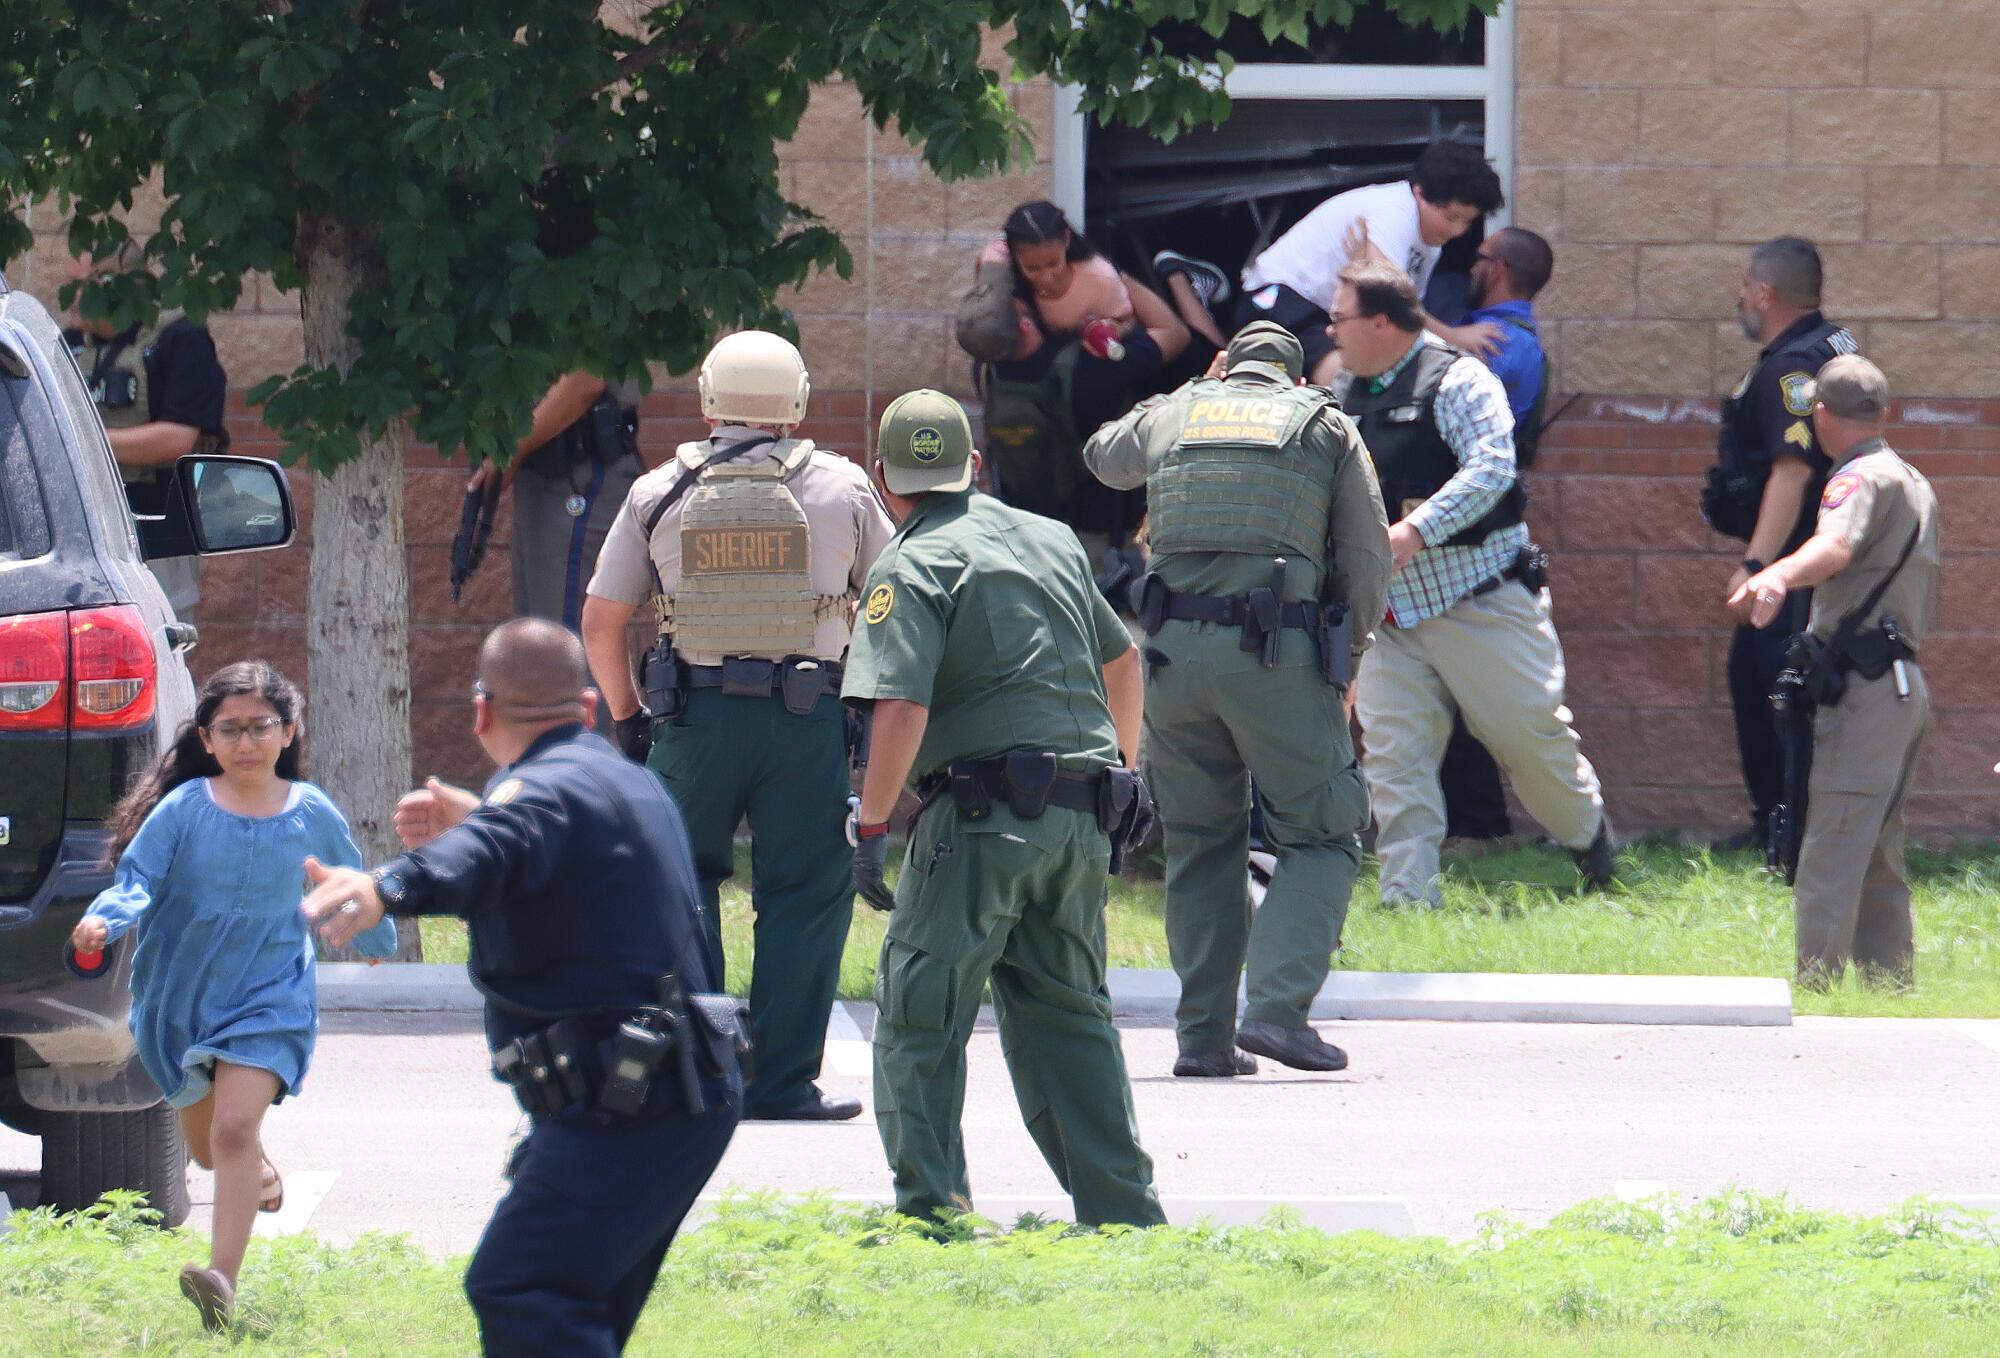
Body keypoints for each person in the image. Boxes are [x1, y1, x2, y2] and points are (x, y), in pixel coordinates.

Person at [301, 619, 739, 1357]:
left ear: (480, 712)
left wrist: (386, 884)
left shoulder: (536, 796)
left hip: (627, 1108)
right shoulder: (626, 780)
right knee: (578, 1305)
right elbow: (536, 838)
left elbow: (495, 841)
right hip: (680, 1096)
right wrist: (481, 812)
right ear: (589, 709)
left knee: (521, 1286)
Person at [841, 389, 1165, 1229]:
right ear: (973, 467)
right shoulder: (1051, 539)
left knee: (922, 1012)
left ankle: (934, 1219)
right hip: (1082, 815)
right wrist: (1121, 775)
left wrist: (871, 826)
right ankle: (1125, 1220)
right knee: (1070, 1020)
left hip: (980, 821)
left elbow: (901, 708)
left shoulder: (910, 563)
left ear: (884, 480)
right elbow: (1124, 660)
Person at [581, 329, 892, 1122]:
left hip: (693, 716)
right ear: (796, 401)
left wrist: (627, 720)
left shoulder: (659, 490)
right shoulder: (845, 488)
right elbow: (899, 601)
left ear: (710, 398)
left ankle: (700, 1074)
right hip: (807, 718)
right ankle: (782, 1083)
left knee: (681, 889)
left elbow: (600, 618)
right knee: (806, 894)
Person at [1082, 322, 1392, 1075]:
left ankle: (1203, 1041)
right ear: (1291, 373)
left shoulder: (1178, 413)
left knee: (1201, 843)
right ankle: (1279, 1014)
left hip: (1172, 662)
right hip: (1276, 655)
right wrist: (1343, 660)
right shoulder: (1324, 426)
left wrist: (1192, 389)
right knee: (1322, 832)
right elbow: (1365, 555)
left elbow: (1102, 456)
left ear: (1229, 367)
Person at [68, 662, 398, 1331]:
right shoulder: (184, 810)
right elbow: (137, 879)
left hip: (269, 991)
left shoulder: (313, 812)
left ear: (289, 732)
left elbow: (350, 880)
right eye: (231, 729)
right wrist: (105, 921)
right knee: (209, 1149)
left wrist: (373, 930)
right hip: (178, 998)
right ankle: (262, 1179)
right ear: (207, 738)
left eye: (261, 727)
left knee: (235, 1127)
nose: (247, 742)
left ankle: (221, 1278)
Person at [1330, 260, 1614, 906]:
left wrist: (1412, 532)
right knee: (1395, 761)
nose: (1330, 330)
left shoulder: (1459, 380)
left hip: (1477, 602)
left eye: (1338, 318)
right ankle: (1408, 899)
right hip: (1390, 616)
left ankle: (1593, 847)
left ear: (1380, 322)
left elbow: (1492, 469)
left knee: (1530, 741)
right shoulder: (1345, 390)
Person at [1729, 356, 1939, 988]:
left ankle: (1816, 986)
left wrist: (1776, 572)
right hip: (1898, 689)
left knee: (1831, 844)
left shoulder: (1857, 479)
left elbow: (1835, 547)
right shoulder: (1912, 478)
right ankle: (1889, 989)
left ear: (1820, 413)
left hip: (1868, 690)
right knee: (1876, 850)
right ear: (1882, 411)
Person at [1703, 238, 1857, 851]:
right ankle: (1784, 822)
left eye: (1746, 285)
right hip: (1827, 557)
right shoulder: (1831, 344)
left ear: (1765, 294)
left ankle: (1787, 830)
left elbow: (1792, 471)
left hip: (1799, 564)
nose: (1741, 294)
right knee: (1763, 679)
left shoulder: (1792, 367)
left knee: (1772, 684)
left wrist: (1756, 565)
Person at [963, 201, 1195, 552]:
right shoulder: (1097, 370)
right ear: (1026, 321)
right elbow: (1176, 333)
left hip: (1025, 531)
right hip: (1096, 533)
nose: (1044, 280)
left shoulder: (985, 374)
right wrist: (1121, 279)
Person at [1439, 226, 1558, 847]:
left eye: (1479, 257)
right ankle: (1473, 821)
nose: (1469, 266)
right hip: (1462, 530)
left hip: (1471, 534)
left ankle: (1482, 822)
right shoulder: (1480, 331)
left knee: (1470, 683)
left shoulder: (1502, 344)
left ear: (1502, 269)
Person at [1231, 140, 1507, 388]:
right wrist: (1454, 337)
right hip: (1282, 300)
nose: (1458, 231)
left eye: (1467, 221)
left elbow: (1405, 315)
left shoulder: (1429, 242)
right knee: (1345, 381)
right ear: (1420, 194)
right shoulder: (1394, 212)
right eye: (1450, 217)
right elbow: (1390, 301)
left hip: (1329, 314)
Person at [65, 243, 230, 616]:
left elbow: (176, 439)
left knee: (159, 642)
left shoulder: (180, 338)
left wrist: (75, 441)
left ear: (119, 287)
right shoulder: (69, 342)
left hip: (154, 530)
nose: (68, 298)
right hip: (80, 527)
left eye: (80, 286)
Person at [464, 371, 644, 631]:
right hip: (541, 466)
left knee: (562, 646)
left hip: (580, 465)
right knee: (539, 642)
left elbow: (585, 380)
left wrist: (508, 454)